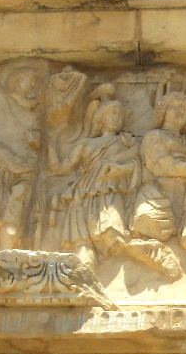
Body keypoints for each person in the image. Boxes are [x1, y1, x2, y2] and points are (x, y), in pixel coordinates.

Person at [52, 92, 179, 279]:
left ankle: (155, 254)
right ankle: (84, 284)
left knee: (115, 237)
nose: (117, 117)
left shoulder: (125, 143)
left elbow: (140, 165)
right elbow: (59, 168)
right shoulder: (86, 145)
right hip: (82, 198)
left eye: (120, 114)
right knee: (84, 249)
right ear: (101, 118)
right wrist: (51, 140)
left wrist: (121, 166)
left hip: (111, 194)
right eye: (112, 113)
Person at [134, 92, 186, 255]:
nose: (180, 111)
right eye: (174, 107)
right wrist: (185, 168)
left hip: (185, 200)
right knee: (152, 226)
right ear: (163, 112)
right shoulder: (154, 136)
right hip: (156, 198)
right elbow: (161, 164)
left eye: (184, 109)